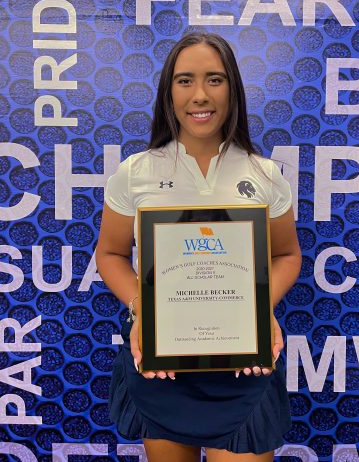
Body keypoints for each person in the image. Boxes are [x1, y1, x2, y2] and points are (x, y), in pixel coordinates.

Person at [96, 32, 302, 462]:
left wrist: (260, 309)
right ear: (168, 91)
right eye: (185, 80)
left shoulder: (265, 174)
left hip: (242, 362)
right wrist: (143, 309)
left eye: (215, 79)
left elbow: (286, 255)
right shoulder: (135, 172)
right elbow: (111, 254)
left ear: (233, 89)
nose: (200, 95)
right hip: (163, 363)